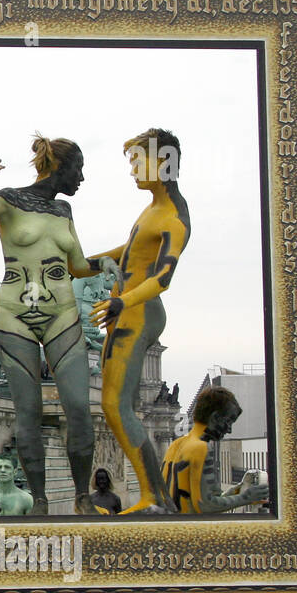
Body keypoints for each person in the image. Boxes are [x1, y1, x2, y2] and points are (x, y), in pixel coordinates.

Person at [0, 135, 105, 515]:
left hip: (62, 315)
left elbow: (79, 266)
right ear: (61, 167)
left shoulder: (65, 211)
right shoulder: (8, 199)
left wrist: (118, 256)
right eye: (79, 168)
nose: (82, 177)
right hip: (14, 316)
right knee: (28, 412)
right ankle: (39, 499)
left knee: (79, 409)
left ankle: (82, 496)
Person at [88, 129, 189, 513]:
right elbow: (126, 254)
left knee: (115, 406)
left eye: (137, 161)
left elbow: (163, 277)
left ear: (163, 162)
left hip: (136, 312)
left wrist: (121, 301)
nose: (132, 171)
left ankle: (152, 497)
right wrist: (75, 264)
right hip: (129, 310)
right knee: (119, 406)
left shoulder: (173, 217)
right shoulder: (152, 210)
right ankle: (155, 496)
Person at [163, 386, 269, 513]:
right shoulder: (200, 447)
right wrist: (246, 498)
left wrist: (233, 492)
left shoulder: (177, 444)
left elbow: (192, 498)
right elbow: (205, 505)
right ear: (215, 417)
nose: (229, 429)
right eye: (228, 421)